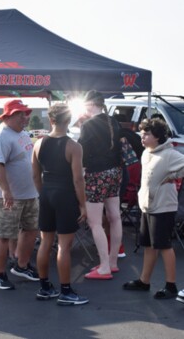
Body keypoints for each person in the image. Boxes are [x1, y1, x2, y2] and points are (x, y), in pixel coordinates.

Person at [32, 103, 89, 305]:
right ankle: (65, 291)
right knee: (64, 246)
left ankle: (45, 287)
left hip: (47, 193)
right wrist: (83, 205)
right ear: (69, 120)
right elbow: (78, 180)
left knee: (45, 242)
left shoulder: (38, 144)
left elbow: (35, 176)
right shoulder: (74, 146)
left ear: (51, 119)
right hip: (64, 195)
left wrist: (44, 194)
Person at [123, 118, 184, 299]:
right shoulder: (146, 153)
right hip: (147, 207)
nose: (142, 137)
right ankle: (144, 281)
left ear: (157, 136)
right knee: (149, 245)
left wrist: (175, 175)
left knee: (164, 246)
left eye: (146, 134)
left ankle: (171, 286)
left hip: (163, 207)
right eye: (142, 133)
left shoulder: (170, 154)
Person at [0, 99, 39, 290]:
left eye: (26, 114)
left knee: (31, 228)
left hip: (29, 193)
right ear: (8, 116)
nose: (25, 118)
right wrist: (6, 191)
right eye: (20, 114)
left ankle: (22, 265)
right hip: (7, 196)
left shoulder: (22, 133)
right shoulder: (0, 137)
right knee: (4, 234)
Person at [78, 90, 123, 280]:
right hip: (115, 172)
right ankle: (112, 262)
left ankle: (104, 266)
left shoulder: (89, 125)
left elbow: (81, 151)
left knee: (95, 222)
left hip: (96, 174)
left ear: (89, 104)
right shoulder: (113, 121)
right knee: (115, 217)